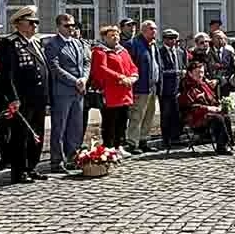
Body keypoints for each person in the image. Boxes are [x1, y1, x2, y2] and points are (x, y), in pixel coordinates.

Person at [0, 8, 47, 183]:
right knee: (21, 136)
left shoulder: (36, 43)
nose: (34, 26)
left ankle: (32, 166)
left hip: (38, 97)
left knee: (37, 133)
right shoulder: (9, 44)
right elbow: (7, 74)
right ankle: (20, 170)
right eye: (30, 22)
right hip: (22, 98)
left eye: (36, 22)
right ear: (18, 24)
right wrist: (13, 97)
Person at [44, 13, 90, 173]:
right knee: (60, 127)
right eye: (67, 26)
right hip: (63, 91)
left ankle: (73, 156)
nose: (71, 28)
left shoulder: (78, 43)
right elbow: (55, 68)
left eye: (72, 25)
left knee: (75, 126)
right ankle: (57, 160)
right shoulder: (52, 44)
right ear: (58, 27)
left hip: (79, 90)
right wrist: (75, 81)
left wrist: (84, 78)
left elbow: (86, 62)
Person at [90, 24, 137, 152]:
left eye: (117, 34)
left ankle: (119, 146)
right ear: (104, 37)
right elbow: (101, 69)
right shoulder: (99, 51)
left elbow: (132, 67)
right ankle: (109, 147)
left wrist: (133, 77)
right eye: (112, 35)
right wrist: (120, 77)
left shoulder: (123, 51)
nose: (115, 37)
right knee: (110, 122)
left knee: (122, 121)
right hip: (110, 93)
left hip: (125, 92)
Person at [179, 57, 235, 154]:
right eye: (197, 72)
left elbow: (212, 98)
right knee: (218, 118)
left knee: (225, 116)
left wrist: (220, 105)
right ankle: (221, 147)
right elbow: (191, 106)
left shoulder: (203, 84)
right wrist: (209, 108)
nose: (200, 75)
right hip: (195, 117)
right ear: (190, 73)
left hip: (207, 114)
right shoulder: (186, 85)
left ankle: (227, 143)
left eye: (202, 72)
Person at [127, 20, 160, 151]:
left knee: (149, 114)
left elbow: (157, 65)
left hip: (152, 86)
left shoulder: (153, 45)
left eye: (155, 29)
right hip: (140, 87)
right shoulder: (134, 44)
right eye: (151, 29)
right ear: (143, 30)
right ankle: (132, 142)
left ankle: (144, 140)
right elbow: (130, 66)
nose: (154, 31)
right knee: (137, 115)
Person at [157, 28, 188, 146]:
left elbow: (185, 66)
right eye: (170, 38)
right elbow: (161, 71)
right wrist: (177, 72)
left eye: (175, 38)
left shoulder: (181, 52)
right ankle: (166, 138)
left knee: (177, 114)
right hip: (166, 89)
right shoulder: (160, 52)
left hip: (178, 88)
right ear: (164, 39)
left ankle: (176, 136)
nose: (173, 41)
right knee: (166, 114)